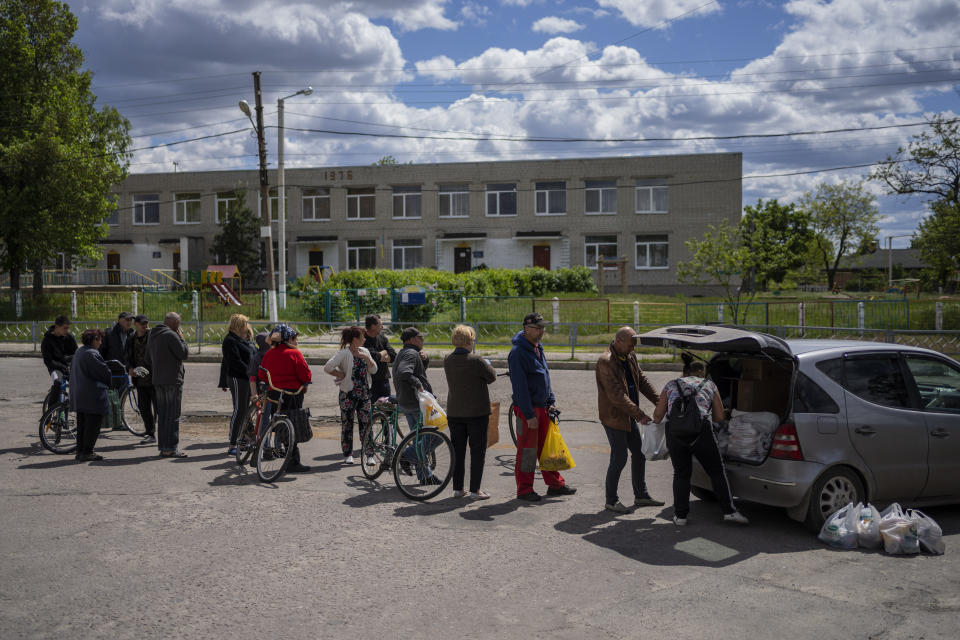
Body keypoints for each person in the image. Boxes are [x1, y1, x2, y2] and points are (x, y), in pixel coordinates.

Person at [652, 360, 749, 526]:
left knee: (681, 473)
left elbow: (657, 416)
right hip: (701, 432)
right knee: (717, 471)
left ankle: (680, 516)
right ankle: (729, 511)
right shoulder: (709, 384)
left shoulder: (671, 384)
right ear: (701, 373)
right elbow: (718, 417)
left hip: (675, 432)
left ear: (686, 372)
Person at [595, 327, 664, 513]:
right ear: (618, 341)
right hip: (614, 417)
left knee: (639, 453)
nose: (633, 349)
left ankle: (641, 495)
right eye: (630, 345)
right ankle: (611, 500)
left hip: (628, 414)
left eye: (634, 345)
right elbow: (617, 396)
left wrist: (660, 402)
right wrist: (639, 414)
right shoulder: (606, 361)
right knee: (619, 458)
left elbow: (641, 379)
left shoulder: (629, 356)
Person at [508, 312, 575, 502]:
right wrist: (529, 415)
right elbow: (520, 388)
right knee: (528, 451)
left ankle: (555, 484)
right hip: (528, 409)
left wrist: (551, 401)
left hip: (543, 407)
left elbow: (545, 377)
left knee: (548, 449)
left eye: (543, 328)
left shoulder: (537, 347)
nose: (542, 331)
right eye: (538, 328)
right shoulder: (518, 353)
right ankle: (524, 489)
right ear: (526, 328)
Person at [443, 324, 496, 499]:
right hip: (476, 412)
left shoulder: (447, 359)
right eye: (473, 339)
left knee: (457, 451)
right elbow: (491, 377)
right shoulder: (476, 360)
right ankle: (475, 490)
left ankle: (458, 488)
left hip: (455, 411)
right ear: (468, 341)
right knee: (477, 452)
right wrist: (487, 363)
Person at [258, 324, 312, 473]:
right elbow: (306, 375)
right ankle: (293, 461)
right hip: (293, 394)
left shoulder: (269, 353)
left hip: (275, 394)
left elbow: (262, 375)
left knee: (281, 422)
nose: (297, 341)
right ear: (288, 339)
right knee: (294, 423)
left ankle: (288, 455)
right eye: (295, 338)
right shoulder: (294, 354)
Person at [324, 326, 378, 465]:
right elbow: (328, 367)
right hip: (348, 394)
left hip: (365, 393)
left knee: (366, 424)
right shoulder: (344, 353)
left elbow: (374, 370)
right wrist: (339, 374)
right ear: (355, 339)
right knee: (347, 424)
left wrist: (366, 358)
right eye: (362, 337)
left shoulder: (365, 351)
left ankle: (369, 454)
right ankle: (348, 454)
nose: (364, 339)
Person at [146, 312, 189, 458]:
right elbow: (183, 353)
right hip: (172, 379)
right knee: (173, 415)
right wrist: (182, 339)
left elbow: (147, 358)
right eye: (179, 323)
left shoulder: (153, 334)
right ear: (175, 324)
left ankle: (164, 447)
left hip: (158, 379)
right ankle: (171, 448)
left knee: (163, 414)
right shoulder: (171, 335)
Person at [69, 329, 111, 462]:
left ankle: (80, 451)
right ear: (93, 340)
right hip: (91, 395)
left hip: (80, 393)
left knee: (82, 425)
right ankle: (87, 451)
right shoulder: (91, 354)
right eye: (99, 339)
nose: (100, 342)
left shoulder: (80, 351)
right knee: (92, 425)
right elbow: (103, 372)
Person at [219, 314, 255, 456]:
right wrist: (250, 371)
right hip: (237, 378)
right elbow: (234, 362)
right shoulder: (230, 341)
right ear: (239, 325)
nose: (247, 327)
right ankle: (232, 443)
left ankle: (243, 439)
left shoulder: (240, 339)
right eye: (245, 324)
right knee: (239, 410)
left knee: (245, 410)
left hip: (246, 378)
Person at [123, 314, 157, 444]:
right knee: (144, 408)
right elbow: (126, 356)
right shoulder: (131, 339)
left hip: (154, 379)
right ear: (135, 324)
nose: (145, 325)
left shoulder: (153, 337)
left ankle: (166, 435)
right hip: (140, 381)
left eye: (146, 323)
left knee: (159, 408)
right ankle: (150, 434)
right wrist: (130, 369)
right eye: (142, 323)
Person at [41, 314, 77, 407]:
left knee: (81, 383)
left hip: (68, 366)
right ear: (57, 327)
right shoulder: (47, 340)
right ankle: (49, 412)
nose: (67, 330)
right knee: (58, 382)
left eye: (68, 328)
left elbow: (76, 354)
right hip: (55, 368)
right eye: (65, 328)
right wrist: (62, 367)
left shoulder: (70, 337)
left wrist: (70, 363)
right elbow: (48, 362)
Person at [363, 314, 396, 401]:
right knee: (372, 409)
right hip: (369, 381)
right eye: (380, 324)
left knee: (387, 408)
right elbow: (372, 357)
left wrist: (380, 356)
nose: (382, 327)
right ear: (373, 326)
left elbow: (393, 355)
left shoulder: (382, 337)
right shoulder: (362, 339)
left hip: (384, 380)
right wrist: (384, 352)